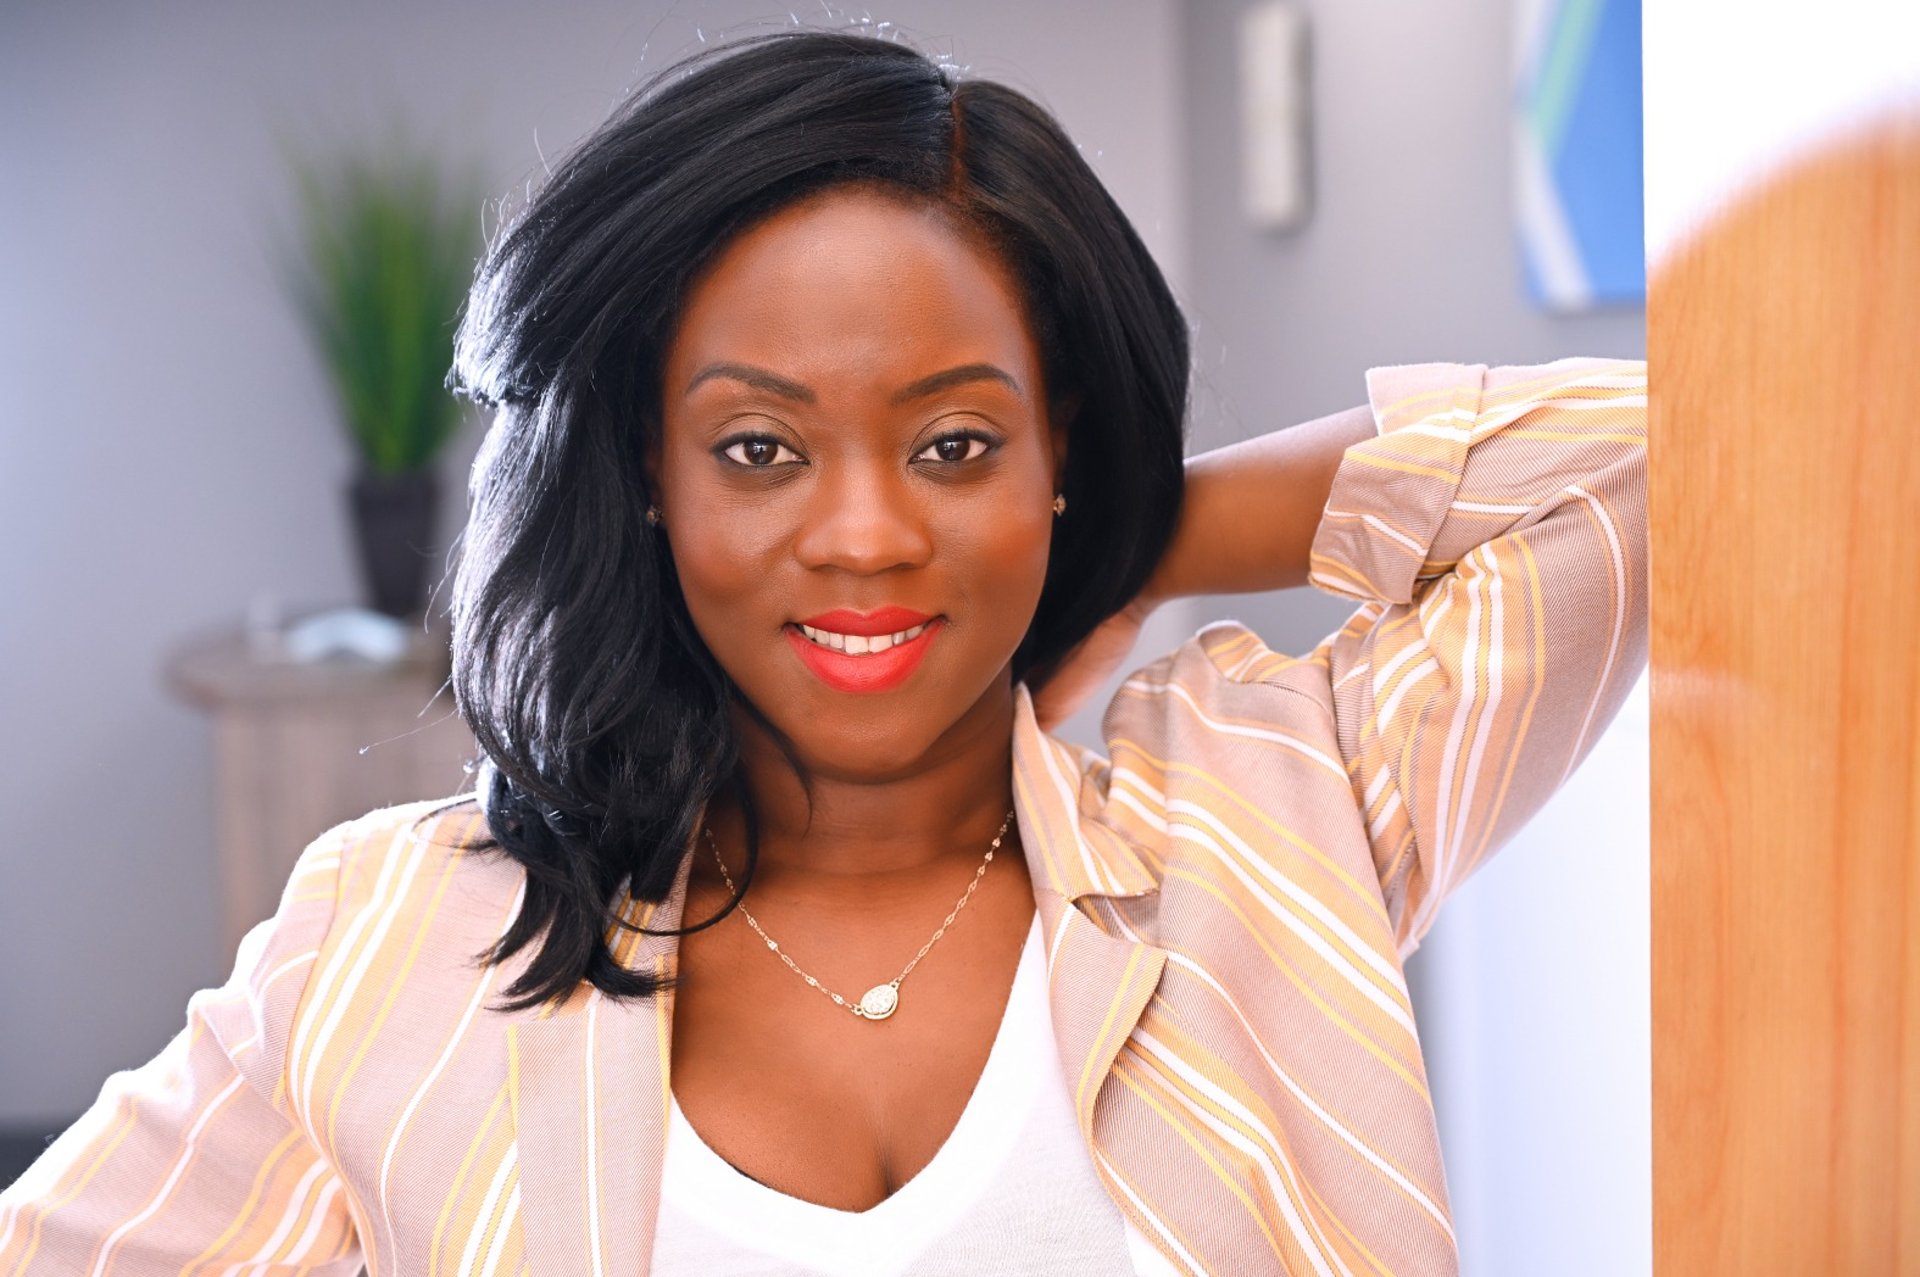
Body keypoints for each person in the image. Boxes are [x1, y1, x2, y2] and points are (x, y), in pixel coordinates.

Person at [0, 27, 1647, 1277]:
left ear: (1055, 450)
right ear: (645, 477)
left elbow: (1687, 464)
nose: (864, 535)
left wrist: (1130, 531)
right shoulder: (391, 942)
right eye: (759, 450)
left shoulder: (1278, 810)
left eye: (952, 444)